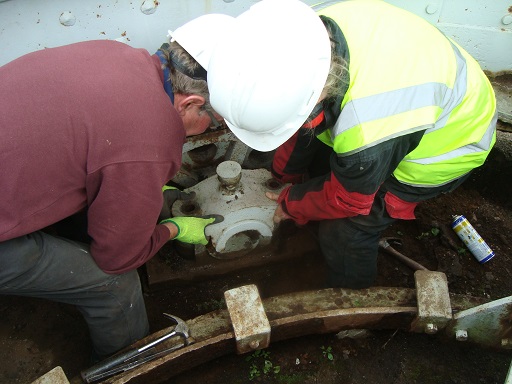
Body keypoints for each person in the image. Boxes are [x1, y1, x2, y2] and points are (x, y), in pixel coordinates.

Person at [204, 0, 497, 288]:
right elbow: (301, 129)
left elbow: (349, 199)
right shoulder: (306, 33)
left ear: (315, 99)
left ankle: (349, 303)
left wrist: (292, 204)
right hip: (424, 97)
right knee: (321, 171)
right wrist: (282, 177)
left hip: (448, 145)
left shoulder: (368, 128)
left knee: (344, 230)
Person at [0, 14, 232, 359]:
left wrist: (145, 190)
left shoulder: (118, 55)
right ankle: (129, 369)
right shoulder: (150, 138)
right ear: (190, 103)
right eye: (212, 121)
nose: (207, 128)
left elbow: (93, 152)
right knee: (115, 285)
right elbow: (117, 258)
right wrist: (173, 228)